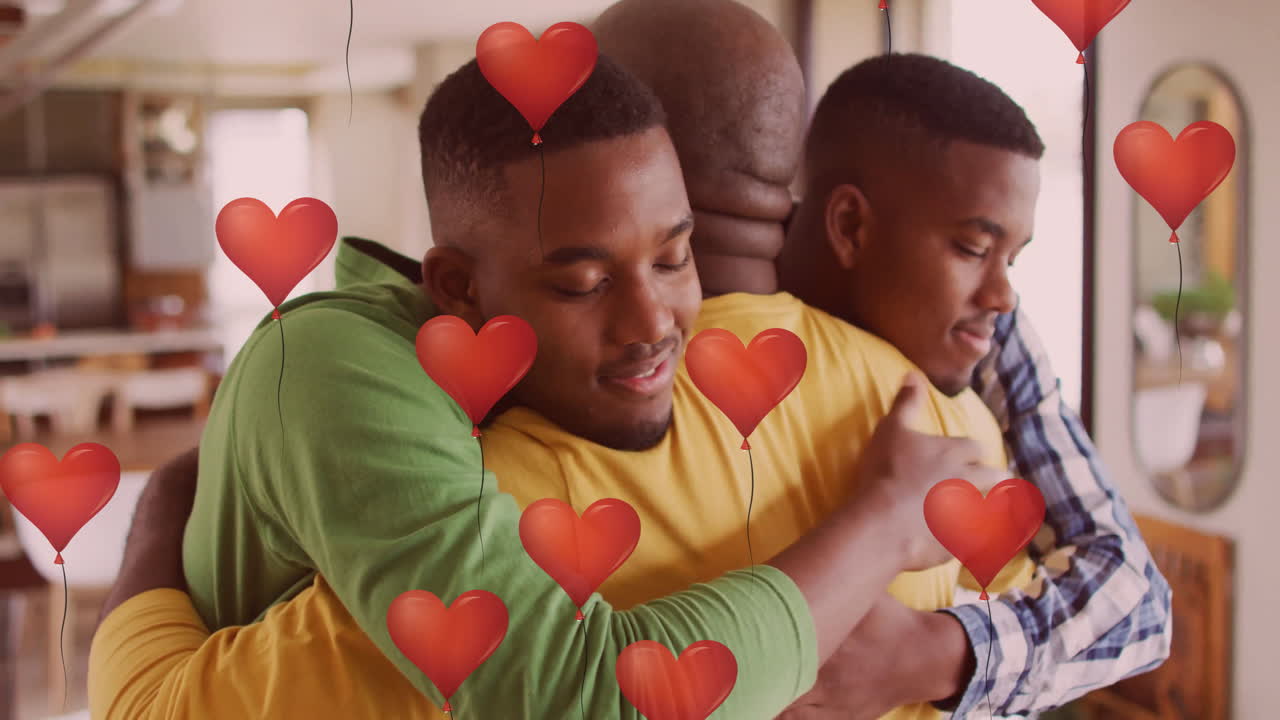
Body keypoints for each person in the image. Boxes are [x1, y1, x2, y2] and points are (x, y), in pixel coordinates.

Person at [90, 53, 1008, 720]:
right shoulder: (340, 369)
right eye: (584, 283)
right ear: (455, 287)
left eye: (676, 255)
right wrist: (883, 524)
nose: (652, 321)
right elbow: (573, 697)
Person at [774, 52, 1172, 717]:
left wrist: (933, 653)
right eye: (972, 248)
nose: (1004, 295)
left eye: (1013, 257)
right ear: (850, 226)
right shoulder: (700, 305)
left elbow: (1139, 601)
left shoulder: (990, 334)